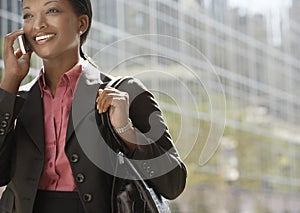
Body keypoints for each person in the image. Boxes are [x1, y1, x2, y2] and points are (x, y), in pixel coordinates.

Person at [0, 0, 187, 212]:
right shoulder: (19, 100)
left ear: (82, 23)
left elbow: (173, 183)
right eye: (28, 15)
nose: (38, 24)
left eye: (51, 10)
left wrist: (126, 130)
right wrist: (10, 82)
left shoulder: (125, 93)